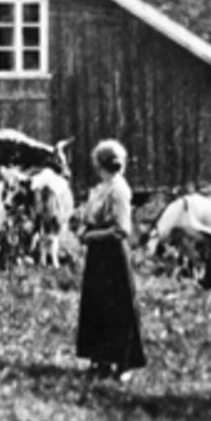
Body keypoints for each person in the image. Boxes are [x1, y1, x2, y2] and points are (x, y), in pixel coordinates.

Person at [76, 139, 146, 382]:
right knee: (98, 307)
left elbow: (122, 230)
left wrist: (91, 236)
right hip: (99, 255)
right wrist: (85, 228)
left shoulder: (118, 190)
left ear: (99, 164)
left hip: (113, 254)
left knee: (119, 308)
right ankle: (101, 359)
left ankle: (124, 363)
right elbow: (92, 217)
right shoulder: (102, 188)